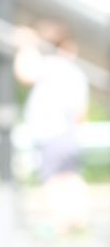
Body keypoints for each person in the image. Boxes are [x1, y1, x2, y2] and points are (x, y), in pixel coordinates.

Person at [13, 20, 90, 235]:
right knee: (71, 176)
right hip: (70, 134)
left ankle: (60, 224)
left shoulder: (49, 67)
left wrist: (25, 46)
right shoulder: (76, 72)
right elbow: (81, 111)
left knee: (53, 179)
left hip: (50, 134)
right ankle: (78, 221)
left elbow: (24, 74)